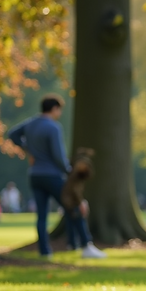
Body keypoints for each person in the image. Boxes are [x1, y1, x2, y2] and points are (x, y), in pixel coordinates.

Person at [6, 94, 106, 259]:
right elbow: (58, 155)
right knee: (74, 207)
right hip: (52, 175)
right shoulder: (53, 127)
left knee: (42, 216)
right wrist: (68, 170)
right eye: (59, 110)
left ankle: (44, 251)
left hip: (35, 175)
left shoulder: (30, 123)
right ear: (54, 108)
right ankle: (86, 245)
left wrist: (28, 149)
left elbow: (12, 134)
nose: (59, 113)